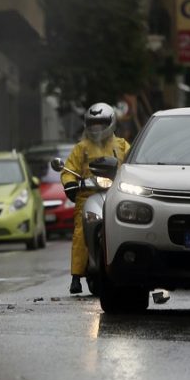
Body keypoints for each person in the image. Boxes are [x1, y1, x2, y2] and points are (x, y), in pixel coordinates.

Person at [61, 102, 130, 294]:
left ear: (110, 123)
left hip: (116, 194)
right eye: (93, 124)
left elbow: (132, 165)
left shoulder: (122, 145)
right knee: (80, 232)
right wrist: (70, 184)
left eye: (101, 124)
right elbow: (69, 170)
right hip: (87, 196)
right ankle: (76, 276)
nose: (97, 128)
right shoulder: (81, 148)